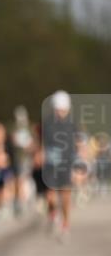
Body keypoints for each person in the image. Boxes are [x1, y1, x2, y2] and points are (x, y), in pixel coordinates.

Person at [41, 91, 77, 242]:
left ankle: (65, 225)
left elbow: (79, 144)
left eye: (63, 109)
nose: (60, 112)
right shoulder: (46, 124)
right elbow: (40, 143)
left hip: (67, 165)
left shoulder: (72, 125)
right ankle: (53, 214)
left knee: (66, 197)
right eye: (58, 109)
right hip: (50, 165)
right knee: (51, 197)